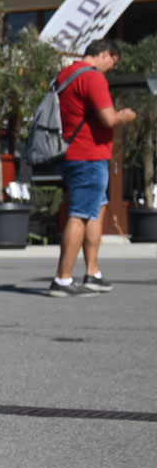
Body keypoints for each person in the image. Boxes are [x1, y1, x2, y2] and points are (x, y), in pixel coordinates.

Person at [49, 38, 135, 298]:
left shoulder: (65, 74)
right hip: (88, 155)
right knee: (80, 214)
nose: (110, 69)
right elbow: (108, 118)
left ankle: (92, 273)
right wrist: (126, 116)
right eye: (113, 63)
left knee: (96, 209)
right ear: (106, 55)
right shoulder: (93, 78)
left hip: (72, 153)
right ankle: (62, 280)